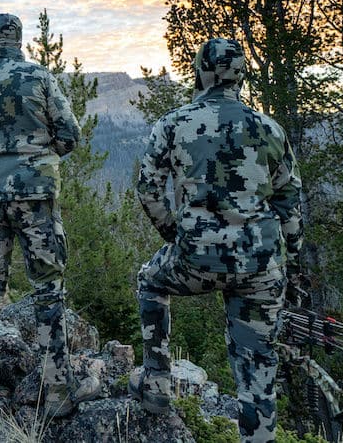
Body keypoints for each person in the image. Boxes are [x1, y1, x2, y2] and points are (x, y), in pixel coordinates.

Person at [130, 38, 303, 442]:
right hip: (259, 266)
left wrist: (176, 235)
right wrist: (288, 259)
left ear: (201, 72)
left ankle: (156, 381)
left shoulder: (173, 124)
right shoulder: (269, 128)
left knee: (150, 281)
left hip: (196, 259)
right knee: (257, 371)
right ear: (241, 75)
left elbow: (148, 191)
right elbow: (289, 200)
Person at [0, 13, 100, 417]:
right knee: (48, 289)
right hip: (37, 199)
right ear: (20, 41)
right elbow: (70, 135)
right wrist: (36, 155)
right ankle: (56, 391)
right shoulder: (42, 79)